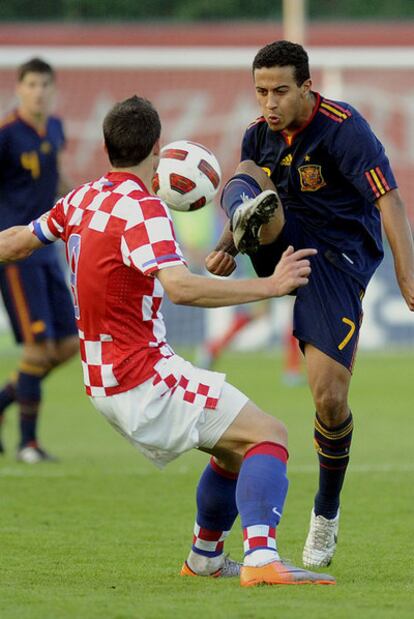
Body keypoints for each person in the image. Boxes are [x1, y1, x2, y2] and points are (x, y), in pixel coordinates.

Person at [0, 95, 336, 587]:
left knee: (230, 448)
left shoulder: (83, 198)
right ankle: (263, 559)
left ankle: (206, 557)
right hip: (143, 377)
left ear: (106, 145)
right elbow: (180, 288)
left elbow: (17, 241)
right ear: (157, 148)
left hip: (102, 383)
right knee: (270, 435)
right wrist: (270, 285)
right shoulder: (144, 209)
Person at [205, 41, 414, 568]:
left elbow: (388, 197)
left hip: (338, 257)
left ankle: (325, 510)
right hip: (283, 239)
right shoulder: (259, 132)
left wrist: (408, 276)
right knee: (249, 174)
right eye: (260, 91)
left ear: (306, 87)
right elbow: (248, 172)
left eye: (279, 91)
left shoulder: (345, 129)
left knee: (328, 399)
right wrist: (228, 246)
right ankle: (245, 220)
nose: (269, 103)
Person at [0, 58, 78, 463]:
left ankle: (1, 403)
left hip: (46, 249)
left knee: (66, 345)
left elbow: (56, 178)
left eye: (45, 84)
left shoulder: (56, 128)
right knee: (36, 349)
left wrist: (77, 205)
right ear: (19, 88)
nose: (39, 91)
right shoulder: (7, 135)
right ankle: (28, 444)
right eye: (31, 84)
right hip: (14, 252)